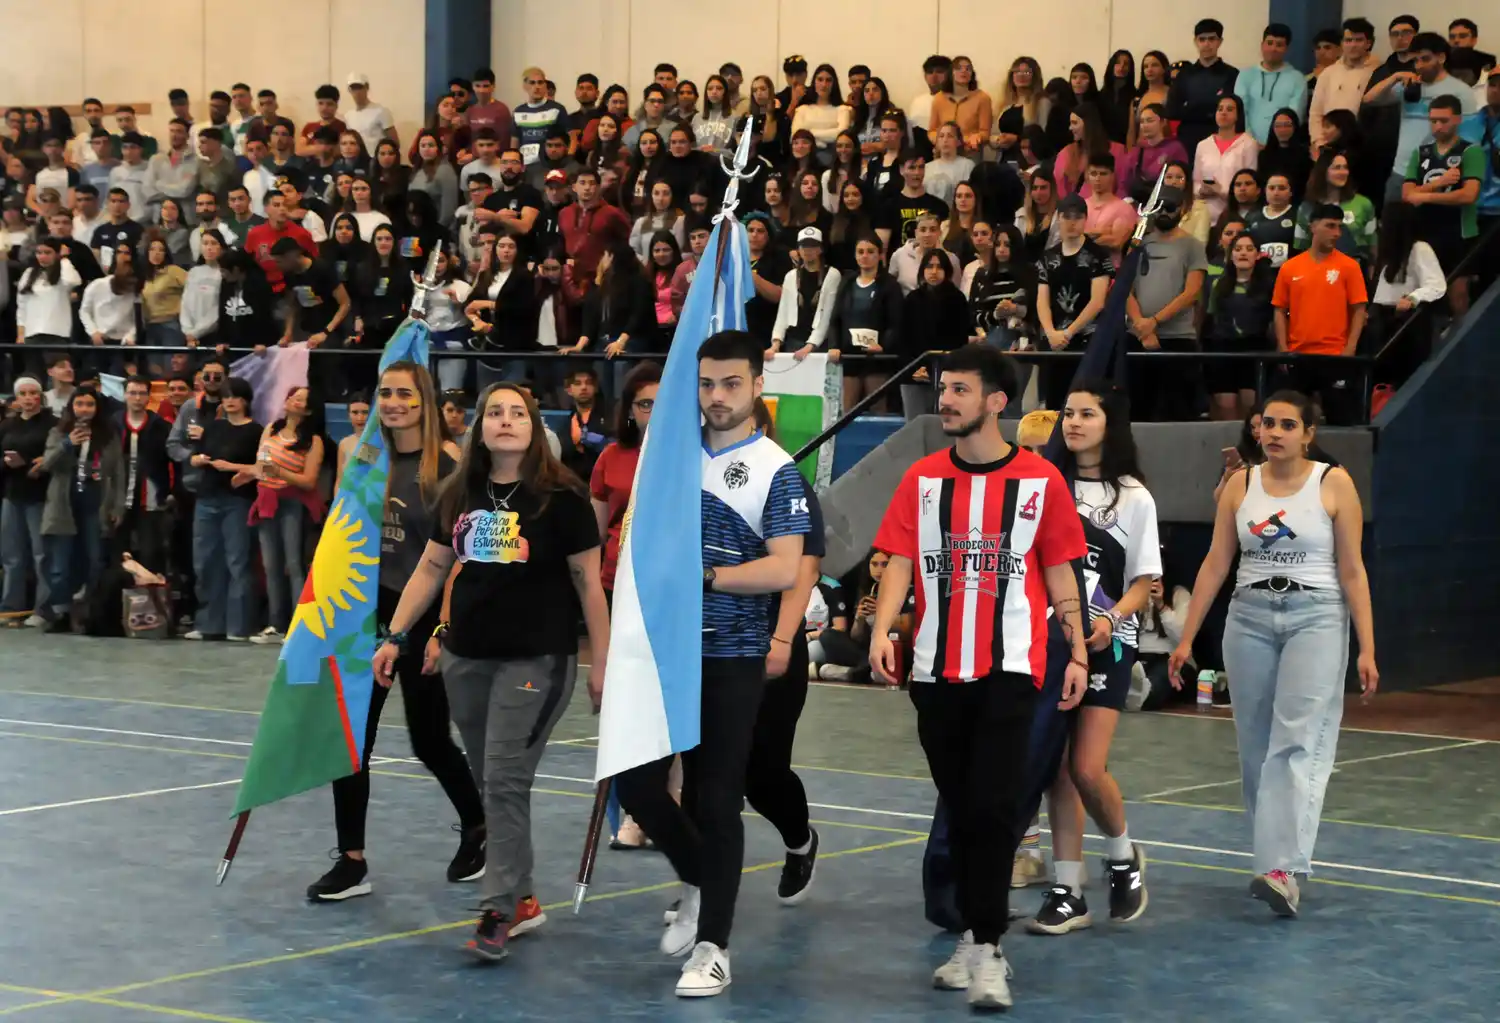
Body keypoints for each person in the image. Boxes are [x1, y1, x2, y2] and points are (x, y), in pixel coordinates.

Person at [869, 344, 1090, 1011]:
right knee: (961, 804)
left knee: (994, 803)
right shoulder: (922, 479)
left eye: (961, 389)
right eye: (943, 388)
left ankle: (990, 947)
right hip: (936, 670)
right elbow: (900, 560)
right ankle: (971, 929)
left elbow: (1060, 573)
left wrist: (1077, 650)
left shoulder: (1041, 482)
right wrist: (883, 628)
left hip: (1012, 668)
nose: (947, 399)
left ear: (997, 400)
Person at [372, 380, 608, 959]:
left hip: (537, 660)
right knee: (492, 779)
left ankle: (498, 906)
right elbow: (430, 569)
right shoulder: (460, 492)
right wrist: (397, 636)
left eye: (517, 413)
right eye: (494, 413)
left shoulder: (564, 498)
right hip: (465, 658)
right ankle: (523, 898)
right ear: (480, 428)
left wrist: (603, 661)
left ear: (534, 427)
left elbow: (589, 585)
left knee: (503, 778)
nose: (505, 421)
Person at [615, 330, 810, 998]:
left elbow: (785, 566)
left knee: (719, 798)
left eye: (731, 383)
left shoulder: (776, 469)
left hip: (731, 656)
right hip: (664, 652)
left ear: (757, 384)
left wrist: (706, 577)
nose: (718, 397)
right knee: (637, 786)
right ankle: (702, 878)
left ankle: (713, 945)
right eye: (706, 384)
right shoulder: (667, 458)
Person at [1169, 391, 1378, 917]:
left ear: (1309, 433)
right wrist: (1187, 637)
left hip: (1317, 616)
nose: (1276, 432)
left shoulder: (1334, 483)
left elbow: (1353, 569)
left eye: (1289, 424)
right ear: (1256, 430)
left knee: (1295, 740)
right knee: (1255, 746)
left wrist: (1368, 647)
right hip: (1249, 617)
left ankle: (1282, 868)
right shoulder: (1240, 484)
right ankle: (1270, 859)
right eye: (1267, 424)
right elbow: (1216, 563)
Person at [307, 363, 487, 901]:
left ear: (425, 400)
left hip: (424, 616)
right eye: (385, 393)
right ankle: (351, 859)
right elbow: (340, 534)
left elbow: (462, 558)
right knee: (350, 741)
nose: (393, 403)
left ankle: (479, 827)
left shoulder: (451, 465)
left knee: (429, 740)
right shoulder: (360, 458)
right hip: (362, 613)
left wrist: (443, 628)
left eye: (404, 393)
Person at [1026, 382, 1159, 936]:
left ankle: (1124, 855)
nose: (1074, 423)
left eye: (1087, 414)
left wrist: (1108, 621)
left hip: (1108, 644)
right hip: (1051, 644)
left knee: (1085, 767)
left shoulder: (1133, 496)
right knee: (1055, 770)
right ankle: (1068, 890)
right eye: (1068, 414)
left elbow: (1144, 583)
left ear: (1111, 423)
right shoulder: (1042, 483)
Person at [1272, 204, 1368, 424]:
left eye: (1339, 227)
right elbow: (1279, 310)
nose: (1336, 233)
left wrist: (1350, 350)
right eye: (1330, 226)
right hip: (1298, 354)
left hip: (1335, 355)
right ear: (1313, 226)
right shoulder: (1290, 267)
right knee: (1290, 420)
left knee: (1343, 420)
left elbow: (1359, 310)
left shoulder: (1349, 266)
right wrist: (1283, 348)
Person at [40, 388, 124, 632]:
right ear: (71, 407)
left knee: (95, 560)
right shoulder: (58, 432)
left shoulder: (108, 435)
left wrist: (118, 506)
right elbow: (47, 464)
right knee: (61, 564)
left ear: (97, 409)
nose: (84, 409)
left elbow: (118, 472)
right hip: (64, 504)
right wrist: (68, 444)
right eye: (79, 404)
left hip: (95, 501)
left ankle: (92, 612)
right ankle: (61, 612)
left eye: (89, 404)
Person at [246, 387, 325, 644]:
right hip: (266, 499)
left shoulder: (313, 441)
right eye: (293, 396)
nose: (295, 401)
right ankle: (275, 623)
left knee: (294, 564)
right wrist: (243, 473)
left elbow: (309, 481)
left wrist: (279, 471)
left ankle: (299, 625)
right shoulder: (270, 429)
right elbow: (260, 465)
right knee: (270, 565)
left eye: (302, 399)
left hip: (293, 503)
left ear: (309, 409)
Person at [184, 376, 259, 641]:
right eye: (226, 396)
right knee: (205, 561)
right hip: (207, 497)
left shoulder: (256, 431)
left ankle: (237, 626)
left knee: (237, 562)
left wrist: (234, 468)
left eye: (235, 396)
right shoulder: (214, 427)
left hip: (237, 500)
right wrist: (196, 459)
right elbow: (200, 455)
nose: (229, 401)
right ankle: (208, 623)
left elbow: (260, 468)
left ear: (246, 400)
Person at [1401, 95, 1484, 317]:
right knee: (1424, 292)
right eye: (1433, 120)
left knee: (1458, 292)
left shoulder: (1470, 151)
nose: (1437, 126)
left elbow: (1468, 195)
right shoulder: (1421, 153)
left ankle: (1461, 344)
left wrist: (1425, 195)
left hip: (1458, 232)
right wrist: (1439, 183)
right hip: (1425, 232)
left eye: (1443, 120)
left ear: (1457, 119)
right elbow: (1407, 195)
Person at [1036, 193, 1112, 411]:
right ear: (1058, 218)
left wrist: (1068, 333)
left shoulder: (1098, 255)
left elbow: (1098, 301)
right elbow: (1042, 300)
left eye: (1077, 217)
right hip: (1053, 343)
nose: (1071, 222)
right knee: (1052, 406)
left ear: (1085, 219)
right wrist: (1050, 332)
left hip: (1086, 341)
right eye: (1066, 216)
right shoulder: (1048, 257)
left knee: (1084, 403)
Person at [1, 377, 58, 626]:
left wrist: (40, 463)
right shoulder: (6, 426)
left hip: (40, 495)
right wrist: (5, 463)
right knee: (12, 555)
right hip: (12, 495)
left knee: (41, 554)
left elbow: (56, 457)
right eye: (22, 393)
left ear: (40, 397)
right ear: (16, 399)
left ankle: (42, 609)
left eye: (32, 393)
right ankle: (10, 607)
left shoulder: (52, 425)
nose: (27, 398)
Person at [1203, 231, 1276, 420]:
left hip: (1254, 350)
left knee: (1250, 405)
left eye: (1249, 249)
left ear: (1258, 255)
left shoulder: (1268, 286)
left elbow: (1274, 321)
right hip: (1223, 350)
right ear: (1231, 254)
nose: (1243, 253)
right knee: (1226, 405)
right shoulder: (1219, 284)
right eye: (1238, 249)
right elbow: (1210, 317)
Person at [1168, 18, 1241, 160]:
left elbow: (1235, 110)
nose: (1207, 44)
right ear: (1195, 41)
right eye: (1202, 39)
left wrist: (1192, 107)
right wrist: (1210, 107)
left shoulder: (1232, 74)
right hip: (1188, 140)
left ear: (1220, 41)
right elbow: (1172, 110)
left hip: (1221, 138)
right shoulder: (1184, 75)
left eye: (1212, 39)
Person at [768, 227, 841, 359]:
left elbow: (827, 315)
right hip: (794, 340)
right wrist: (776, 343)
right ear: (798, 249)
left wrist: (810, 346)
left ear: (820, 249)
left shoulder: (832, 275)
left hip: (820, 343)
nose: (807, 250)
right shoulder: (791, 276)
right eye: (803, 246)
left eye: (813, 246)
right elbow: (783, 312)